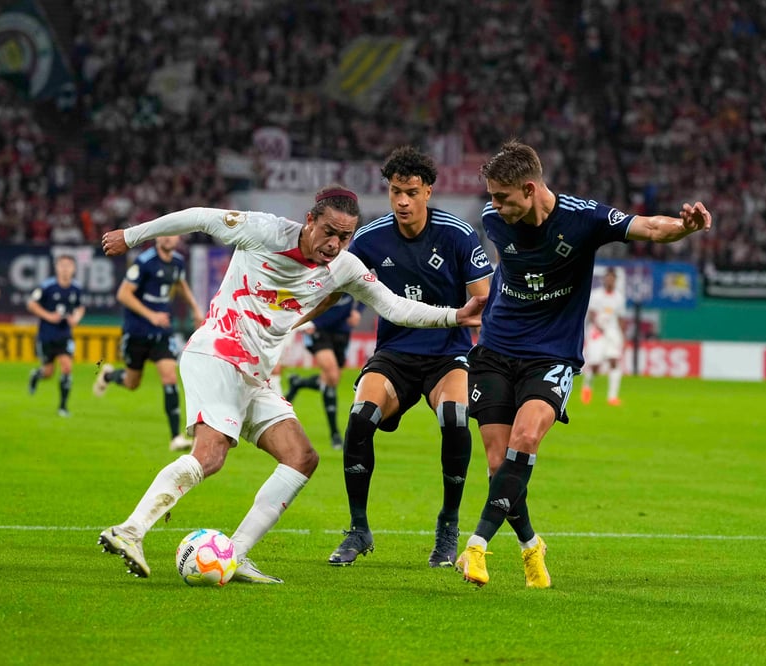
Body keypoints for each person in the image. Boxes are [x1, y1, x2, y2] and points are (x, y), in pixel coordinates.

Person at [96, 185, 485, 584]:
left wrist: (455, 315)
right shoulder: (264, 231)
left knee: (301, 458)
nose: (334, 244)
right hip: (217, 355)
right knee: (210, 455)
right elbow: (199, 216)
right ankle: (130, 531)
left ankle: (236, 555)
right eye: (329, 232)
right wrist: (132, 235)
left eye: (345, 237)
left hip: (256, 377)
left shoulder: (344, 268)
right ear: (310, 220)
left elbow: (394, 306)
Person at [456, 140, 711, 588]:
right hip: (495, 349)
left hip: (551, 354)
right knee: (499, 465)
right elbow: (507, 272)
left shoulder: (583, 218)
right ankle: (532, 546)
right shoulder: (495, 221)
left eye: (502, 196)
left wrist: (684, 228)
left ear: (530, 188)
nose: (492, 206)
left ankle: (476, 546)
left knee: (527, 437)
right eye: (491, 196)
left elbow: (649, 227)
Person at [326, 146, 493, 569]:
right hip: (395, 354)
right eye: (395, 191)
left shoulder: (457, 234)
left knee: (454, 418)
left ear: (428, 192)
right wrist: (288, 318)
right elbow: (329, 289)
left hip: (448, 354)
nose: (402, 200)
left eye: (411, 192)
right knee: (361, 417)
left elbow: (484, 302)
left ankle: (448, 525)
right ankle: (358, 529)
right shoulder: (370, 238)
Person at [93, 235, 205, 452]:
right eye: (165, 232)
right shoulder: (145, 262)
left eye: (174, 234)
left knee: (170, 376)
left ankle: (176, 437)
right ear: (157, 236)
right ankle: (108, 375)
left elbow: (180, 283)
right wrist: (151, 315)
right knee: (132, 383)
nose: (169, 237)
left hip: (162, 330)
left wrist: (195, 307)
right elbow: (123, 294)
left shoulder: (178, 262)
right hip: (137, 331)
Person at [284, 293, 365, 450]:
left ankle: (298, 382)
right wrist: (304, 321)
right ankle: (335, 433)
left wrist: (358, 310)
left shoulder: (352, 269)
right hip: (318, 328)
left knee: (331, 379)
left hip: (342, 330)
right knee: (331, 373)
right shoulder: (317, 270)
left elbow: (369, 286)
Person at [27, 254, 86, 416]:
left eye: (69, 266)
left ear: (74, 269)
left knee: (67, 367)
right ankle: (36, 375)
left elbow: (81, 307)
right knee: (48, 372)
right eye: (62, 265)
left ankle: (63, 407)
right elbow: (31, 304)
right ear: (57, 268)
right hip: (46, 335)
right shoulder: (47, 286)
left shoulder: (76, 288)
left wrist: (76, 318)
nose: (65, 269)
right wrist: (48, 316)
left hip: (64, 334)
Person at [581, 267, 627, 406]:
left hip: (612, 332)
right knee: (595, 365)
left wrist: (622, 335)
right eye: (608, 278)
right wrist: (599, 325)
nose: (610, 280)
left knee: (614, 361)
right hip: (597, 332)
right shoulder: (596, 295)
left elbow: (621, 317)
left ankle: (612, 397)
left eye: (612, 278)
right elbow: (592, 313)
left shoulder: (619, 298)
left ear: (615, 280)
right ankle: (587, 388)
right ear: (604, 279)